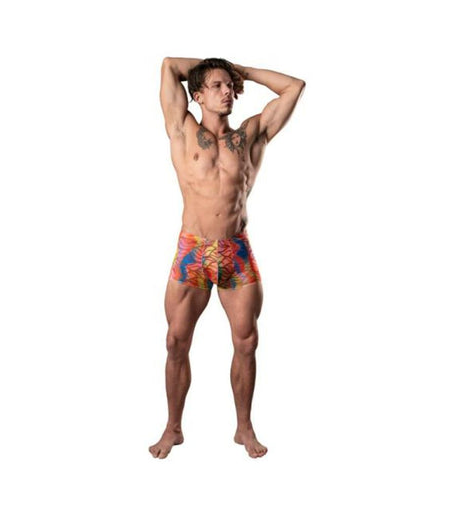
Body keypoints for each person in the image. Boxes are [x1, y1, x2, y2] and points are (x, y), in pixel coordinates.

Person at [149, 57, 305, 459]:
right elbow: (169, 66)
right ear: (197, 95)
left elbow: (294, 86)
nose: (227, 92)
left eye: (229, 86)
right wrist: (216, 66)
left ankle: (244, 427)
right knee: (176, 341)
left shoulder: (251, 135)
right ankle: (173, 427)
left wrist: (242, 71)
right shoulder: (182, 129)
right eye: (217, 86)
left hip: (235, 250)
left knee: (247, 341)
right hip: (193, 251)